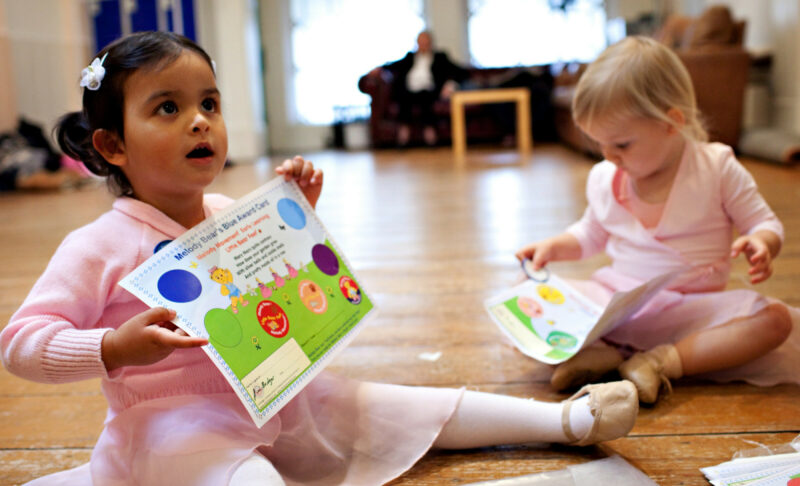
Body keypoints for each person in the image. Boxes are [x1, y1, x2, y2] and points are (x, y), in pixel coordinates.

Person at [0, 31, 638, 486]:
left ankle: (567, 419)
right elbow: (22, 342)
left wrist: (296, 215)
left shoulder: (227, 208)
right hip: (174, 427)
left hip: (278, 397)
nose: (200, 122)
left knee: (401, 405)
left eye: (209, 104)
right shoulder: (97, 246)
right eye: (168, 108)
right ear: (112, 144)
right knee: (250, 479)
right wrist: (110, 347)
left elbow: (284, 287)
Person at [515, 36, 799, 404]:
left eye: (621, 145)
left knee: (775, 322)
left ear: (671, 122)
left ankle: (662, 362)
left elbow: (766, 223)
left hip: (689, 311)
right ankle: (604, 354)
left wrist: (762, 243)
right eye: (599, 144)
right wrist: (554, 247)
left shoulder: (716, 168)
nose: (609, 156)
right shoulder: (606, 176)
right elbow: (590, 233)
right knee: (526, 297)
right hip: (617, 304)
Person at [369, 31, 469, 146]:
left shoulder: (440, 57)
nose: (423, 45)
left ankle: (430, 133)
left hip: (429, 91)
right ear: (417, 43)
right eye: (421, 42)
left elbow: (461, 71)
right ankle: (403, 133)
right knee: (405, 97)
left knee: (424, 97)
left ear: (431, 43)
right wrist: (379, 69)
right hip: (409, 91)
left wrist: (450, 84)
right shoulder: (409, 57)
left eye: (426, 42)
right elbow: (394, 65)